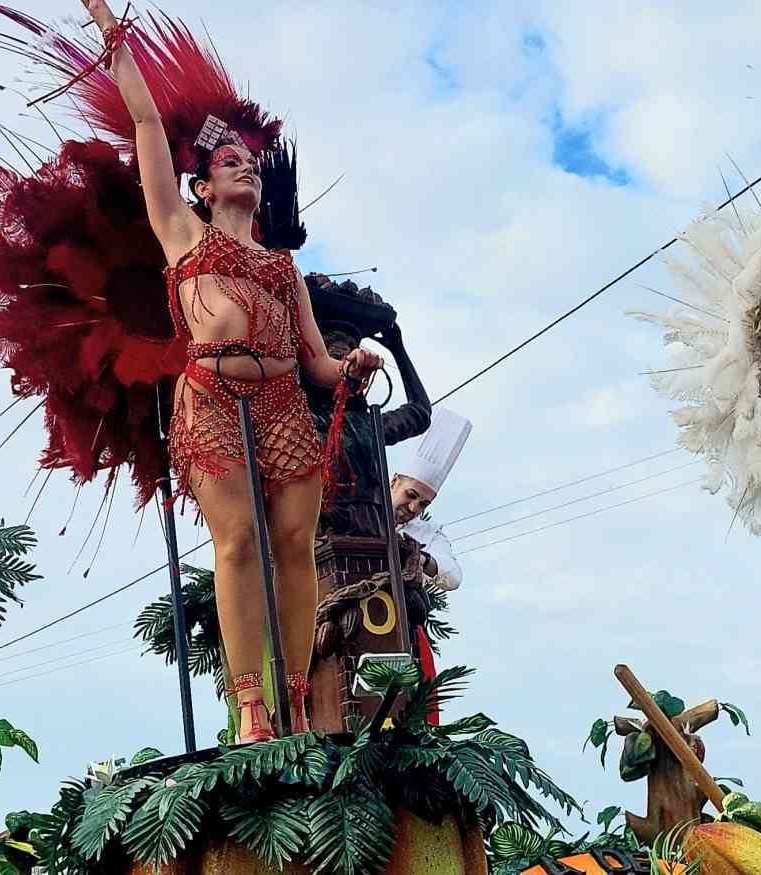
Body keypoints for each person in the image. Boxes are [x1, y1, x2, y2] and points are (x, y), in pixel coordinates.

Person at [81, 0, 382, 743]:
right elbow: (148, 127)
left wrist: (351, 367)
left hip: (284, 403)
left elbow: (316, 362)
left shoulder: (283, 267)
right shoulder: (180, 235)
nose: (245, 167)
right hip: (212, 396)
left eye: (251, 163)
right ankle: (248, 702)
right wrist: (109, 30)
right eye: (229, 163)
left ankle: (294, 691)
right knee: (239, 540)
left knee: (293, 545)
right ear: (202, 189)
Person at [391, 407, 473, 594]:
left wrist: (420, 559)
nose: (413, 507)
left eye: (423, 504)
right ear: (394, 481)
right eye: (411, 495)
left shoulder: (428, 533)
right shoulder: (361, 508)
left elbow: (453, 578)